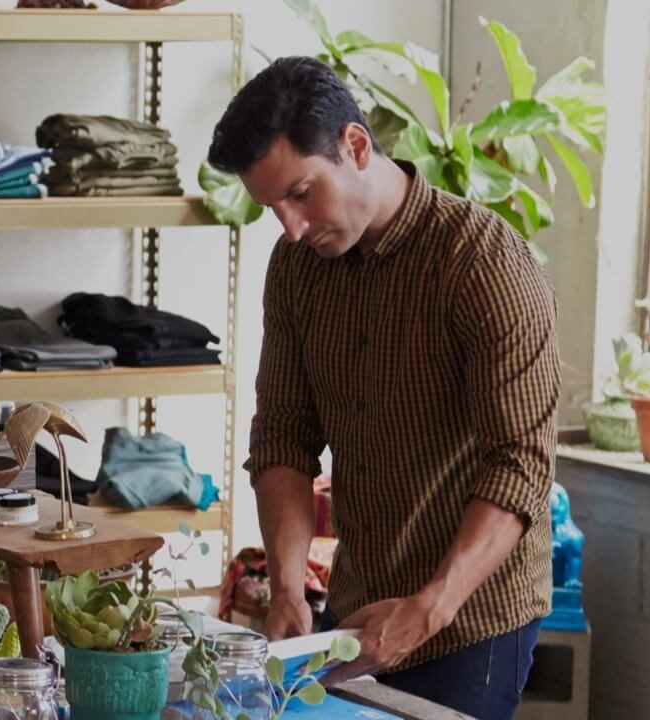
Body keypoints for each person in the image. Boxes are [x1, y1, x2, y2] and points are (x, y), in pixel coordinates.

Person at [207, 56, 558, 720]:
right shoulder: (296, 267)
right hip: (354, 607)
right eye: (273, 207)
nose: (291, 226)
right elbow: (283, 432)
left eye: (301, 193)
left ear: (357, 146)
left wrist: (429, 607)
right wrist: (288, 588)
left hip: (471, 620)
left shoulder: (485, 266)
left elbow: (521, 464)